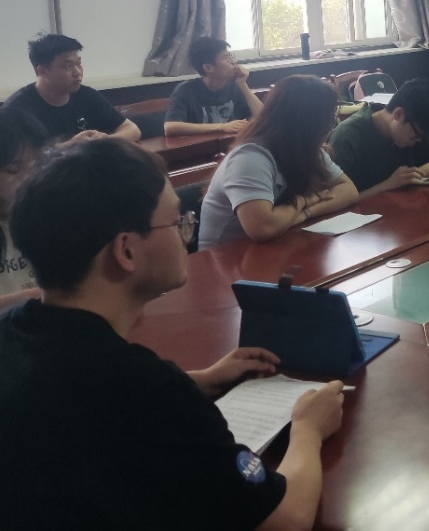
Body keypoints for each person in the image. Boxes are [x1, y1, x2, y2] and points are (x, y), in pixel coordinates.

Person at [0, 138, 345, 529]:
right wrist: (308, 428)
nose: (186, 234)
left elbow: (73, 406)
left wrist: (197, 380)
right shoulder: (146, 390)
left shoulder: (14, 331)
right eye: (176, 221)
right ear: (126, 251)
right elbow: (286, 520)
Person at [197, 75, 359, 249]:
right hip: (224, 256)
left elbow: (348, 190)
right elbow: (263, 228)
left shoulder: (306, 148)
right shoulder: (250, 157)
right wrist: (304, 201)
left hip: (276, 243)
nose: (330, 126)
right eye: (328, 119)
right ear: (309, 123)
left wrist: (306, 212)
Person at [329, 78, 429, 198]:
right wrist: (389, 184)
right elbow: (340, 200)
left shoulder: (416, 125)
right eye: (416, 136)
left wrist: (409, 176)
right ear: (398, 114)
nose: (417, 141)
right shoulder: (348, 137)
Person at [3, 33, 141, 143]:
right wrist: (72, 146)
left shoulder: (86, 95)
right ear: (43, 71)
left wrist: (104, 142)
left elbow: (132, 130)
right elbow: (19, 159)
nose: (77, 72)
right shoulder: (16, 109)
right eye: (68, 66)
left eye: (78, 64)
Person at [164, 36, 264, 136]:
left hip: (233, 143)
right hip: (202, 145)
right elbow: (170, 127)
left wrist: (243, 84)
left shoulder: (236, 86)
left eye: (230, 56)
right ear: (208, 68)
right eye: (225, 58)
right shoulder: (186, 90)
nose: (233, 62)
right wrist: (222, 127)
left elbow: (263, 117)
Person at [0, 108, 49, 311]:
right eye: (13, 170)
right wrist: (46, 296)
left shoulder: (46, 212)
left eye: (37, 166)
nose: (28, 179)